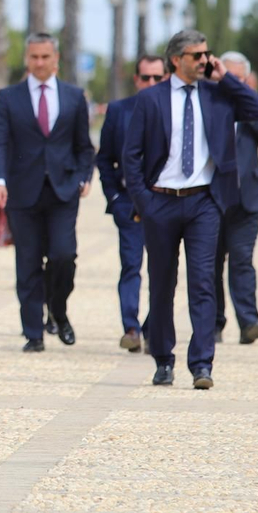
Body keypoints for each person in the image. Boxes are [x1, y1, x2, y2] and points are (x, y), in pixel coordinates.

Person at [122, 28, 258, 390]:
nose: (204, 60)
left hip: (204, 201)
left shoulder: (218, 94)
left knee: (203, 282)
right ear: (176, 60)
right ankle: (162, 360)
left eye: (207, 54)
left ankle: (202, 364)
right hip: (161, 201)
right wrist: (145, 202)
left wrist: (227, 80)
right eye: (197, 55)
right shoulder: (151, 99)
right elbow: (132, 156)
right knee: (161, 284)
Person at [0, 33, 95, 352]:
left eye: (45, 57)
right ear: (26, 59)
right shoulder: (9, 97)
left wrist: (85, 175)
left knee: (64, 256)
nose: (39, 63)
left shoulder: (75, 97)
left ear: (56, 59)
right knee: (29, 261)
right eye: (34, 57)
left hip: (63, 190)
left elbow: (84, 146)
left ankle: (58, 311)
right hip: (22, 191)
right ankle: (33, 332)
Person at [94, 53, 166, 352]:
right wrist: (115, 197)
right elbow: (105, 159)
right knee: (131, 265)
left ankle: (153, 327)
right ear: (136, 79)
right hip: (129, 205)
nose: (151, 83)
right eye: (145, 77)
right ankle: (131, 327)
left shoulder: (174, 110)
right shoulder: (119, 111)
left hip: (167, 204)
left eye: (157, 77)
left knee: (163, 271)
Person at [211, 52, 258, 345]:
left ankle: (249, 322)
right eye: (227, 76)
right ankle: (213, 324)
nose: (232, 83)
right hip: (212, 200)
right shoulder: (209, 105)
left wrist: (246, 105)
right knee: (210, 264)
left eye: (238, 78)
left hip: (248, 200)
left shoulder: (253, 106)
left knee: (242, 260)